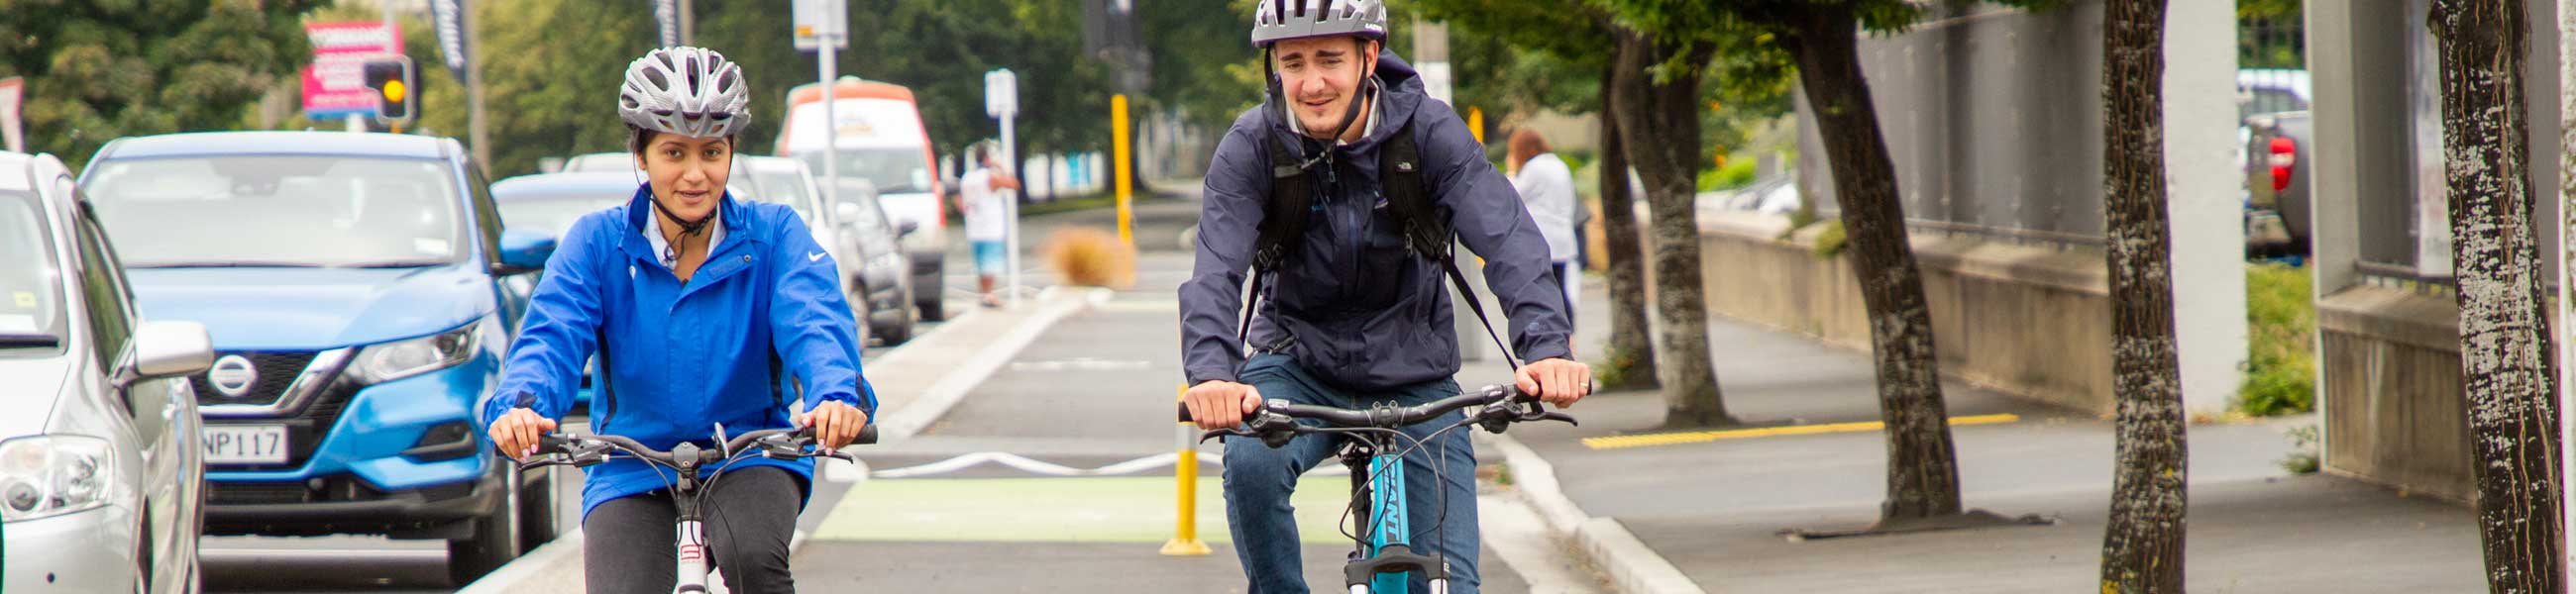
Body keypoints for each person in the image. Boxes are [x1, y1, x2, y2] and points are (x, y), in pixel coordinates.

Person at [1177, 1, 1592, 592]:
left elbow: (1508, 241)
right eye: (1292, 63)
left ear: (1369, 57)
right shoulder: (1252, 146)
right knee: (1250, 460)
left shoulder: (1429, 132)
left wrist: (1547, 348)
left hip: (1413, 372)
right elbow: (1215, 268)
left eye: (1329, 59)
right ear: (1273, 68)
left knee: (1449, 585)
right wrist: (1214, 375)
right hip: (1296, 365)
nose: (1312, 82)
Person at [481, 47, 875, 594]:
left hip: (750, 452)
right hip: (632, 463)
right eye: (674, 153)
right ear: (641, 156)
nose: (695, 175)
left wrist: (836, 395)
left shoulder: (775, 235)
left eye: (712, 152)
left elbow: (816, 322)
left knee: (752, 558)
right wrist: (523, 405)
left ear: (731, 153)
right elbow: (551, 336)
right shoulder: (597, 244)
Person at [1508, 129, 1579, 331]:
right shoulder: (1559, 165)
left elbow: (1513, 195)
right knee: (1560, 290)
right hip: (1563, 238)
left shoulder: (1534, 168)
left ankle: (1551, 335)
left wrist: (1512, 170)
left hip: (1542, 240)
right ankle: (1569, 334)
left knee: (1542, 293)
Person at [957, 143, 1022, 307]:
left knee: (980, 264)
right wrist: (1001, 168)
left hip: (974, 226)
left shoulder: (968, 177)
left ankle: (983, 294)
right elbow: (1013, 184)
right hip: (990, 226)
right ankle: (988, 294)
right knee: (990, 264)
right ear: (987, 158)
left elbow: (959, 199)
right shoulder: (990, 177)